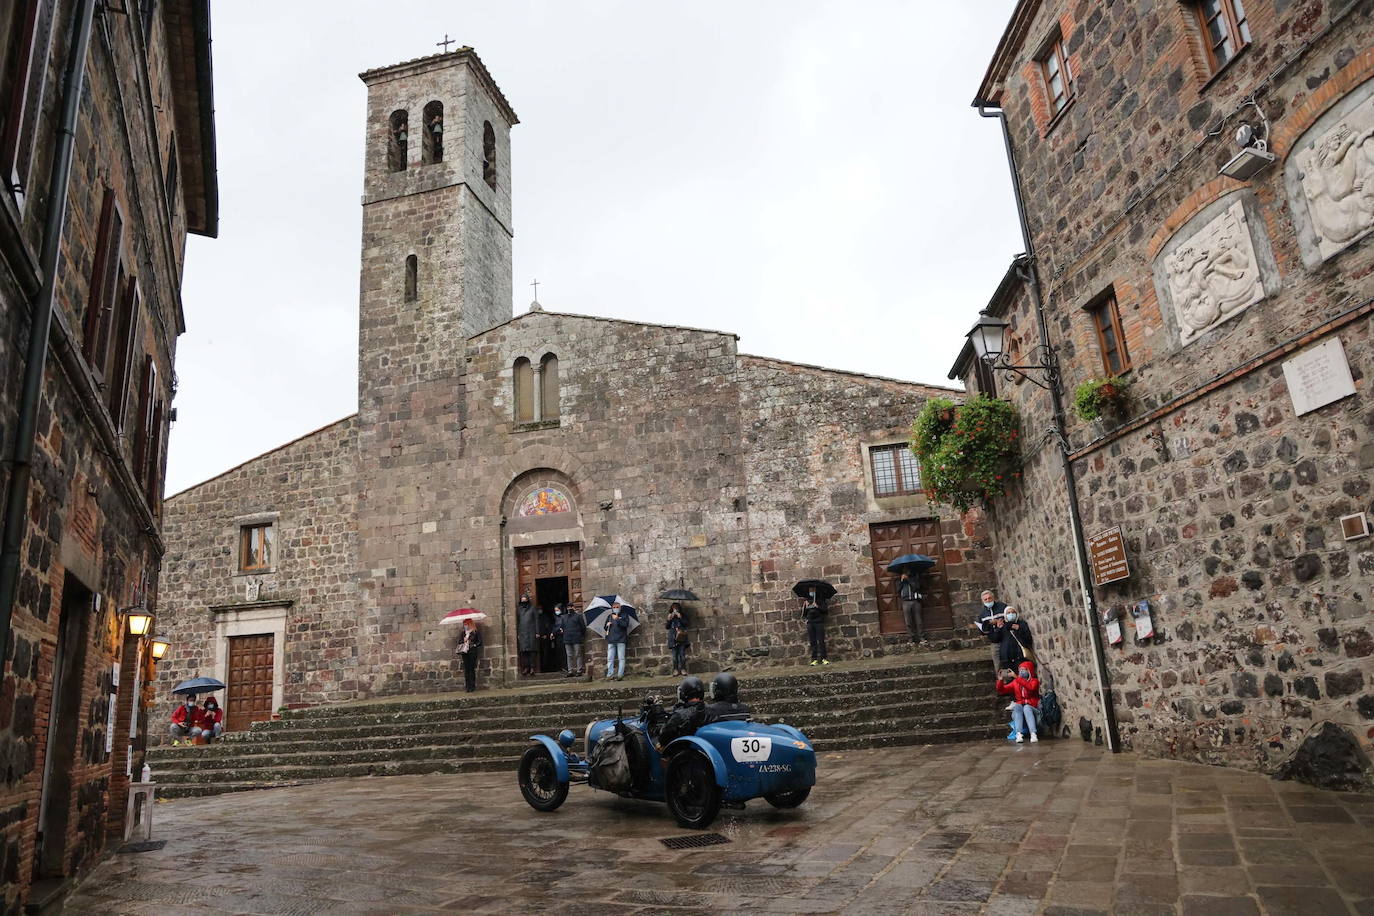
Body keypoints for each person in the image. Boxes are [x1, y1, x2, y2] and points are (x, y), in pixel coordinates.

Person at [996, 660, 1041, 743]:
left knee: (1027, 708)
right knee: (1017, 706)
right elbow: (1002, 690)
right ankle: (1019, 734)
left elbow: (1031, 687)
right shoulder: (1016, 682)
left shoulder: (1034, 681)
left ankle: (1033, 734)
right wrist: (1000, 681)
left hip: (1033, 711)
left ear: (1029, 671)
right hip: (1020, 712)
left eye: (1024, 670)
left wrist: (1017, 677)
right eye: (1020, 670)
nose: (1021, 672)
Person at [658, 676, 707, 747]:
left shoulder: (679, 715)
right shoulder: (710, 710)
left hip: (683, 751)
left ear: (683, 694)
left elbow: (663, 738)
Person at [987, 605, 1034, 671]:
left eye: (1013, 612)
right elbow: (995, 639)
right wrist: (998, 629)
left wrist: (1019, 629)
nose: (1011, 614)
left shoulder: (1021, 624)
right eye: (1008, 613)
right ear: (1005, 615)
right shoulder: (1003, 625)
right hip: (1006, 658)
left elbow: (1028, 639)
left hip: (1020, 656)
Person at [975, 589, 1009, 667]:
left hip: (1007, 639)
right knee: (998, 665)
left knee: (1009, 663)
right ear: (983, 601)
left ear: (993, 598)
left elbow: (1010, 618)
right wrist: (990, 623)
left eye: (989, 598)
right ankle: (999, 679)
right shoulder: (982, 614)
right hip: (995, 642)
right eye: (985, 599)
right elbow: (982, 631)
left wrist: (1000, 622)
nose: (988, 600)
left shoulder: (1002, 607)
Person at [801, 587, 829, 665]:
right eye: (810, 590)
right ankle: (814, 659)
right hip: (810, 623)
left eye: (813, 590)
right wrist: (805, 607)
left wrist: (817, 606)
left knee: (821, 641)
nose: (811, 591)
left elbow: (825, 611)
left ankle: (824, 658)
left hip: (819, 623)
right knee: (813, 642)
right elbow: (803, 615)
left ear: (816, 590)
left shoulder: (821, 601)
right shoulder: (807, 601)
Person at [898, 571, 925, 645]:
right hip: (905, 602)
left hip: (915, 601)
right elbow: (898, 590)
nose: (906, 572)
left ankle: (921, 637)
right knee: (908, 622)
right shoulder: (901, 580)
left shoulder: (915, 578)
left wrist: (908, 579)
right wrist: (901, 581)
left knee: (918, 620)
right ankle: (910, 638)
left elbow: (916, 587)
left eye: (907, 571)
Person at [605, 602, 630, 681]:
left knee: (621, 658)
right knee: (610, 659)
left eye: (617, 607)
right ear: (612, 608)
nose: (616, 608)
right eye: (614, 607)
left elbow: (625, 625)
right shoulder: (609, 616)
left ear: (620, 607)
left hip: (621, 640)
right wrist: (607, 625)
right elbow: (605, 628)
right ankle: (610, 675)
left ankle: (620, 675)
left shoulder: (624, 615)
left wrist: (617, 619)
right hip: (611, 640)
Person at [560, 603, 587, 677]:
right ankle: (570, 671)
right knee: (569, 655)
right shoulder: (564, 617)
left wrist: (580, 635)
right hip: (567, 638)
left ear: (573, 607)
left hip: (576, 638)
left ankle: (579, 670)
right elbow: (562, 627)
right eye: (568, 607)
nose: (569, 608)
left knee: (578, 654)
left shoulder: (578, 616)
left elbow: (583, 627)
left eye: (570, 607)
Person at [457, 618, 483, 692]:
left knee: (471, 669)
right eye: (464, 624)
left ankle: (472, 686)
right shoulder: (463, 633)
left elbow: (480, 642)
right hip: (465, 652)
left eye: (466, 624)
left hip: (472, 652)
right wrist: (464, 640)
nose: (465, 625)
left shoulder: (475, 632)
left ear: (470, 624)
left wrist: (474, 645)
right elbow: (459, 642)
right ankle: (467, 687)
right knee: (466, 669)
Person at [516, 591, 538, 676]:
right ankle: (526, 668)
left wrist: (537, 632)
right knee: (524, 651)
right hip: (522, 632)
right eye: (522, 600)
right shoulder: (519, 609)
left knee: (532, 651)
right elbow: (518, 622)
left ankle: (532, 668)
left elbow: (536, 620)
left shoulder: (533, 608)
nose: (523, 601)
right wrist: (518, 633)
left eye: (525, 599)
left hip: (531, 632)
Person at [665, 603, 690, 676]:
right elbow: (667, 627)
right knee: (674, 656)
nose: (675, 609)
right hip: (673, 638)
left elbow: (686, 624)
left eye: (676, 607)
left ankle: (683, 669)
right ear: (672, 608)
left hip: (681, 637)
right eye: (673, 608)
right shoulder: (670, 615)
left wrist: (680, 617)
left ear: (679, 608)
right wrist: (669, 620)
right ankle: (675, 670)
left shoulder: (682, 615)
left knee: (682, 655)